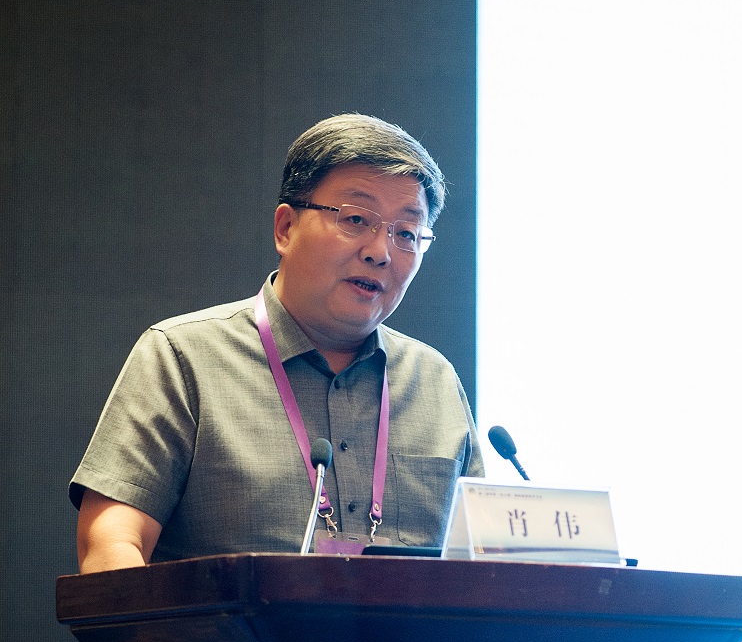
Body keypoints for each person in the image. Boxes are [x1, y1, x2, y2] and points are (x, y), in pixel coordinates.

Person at [71, 112, 484, 573]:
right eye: (355, 219)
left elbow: (488, 564)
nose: (380, 251)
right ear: (286, 228)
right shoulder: (182, 358)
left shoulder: (435, 381)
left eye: (406, 233)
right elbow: (110, 543)